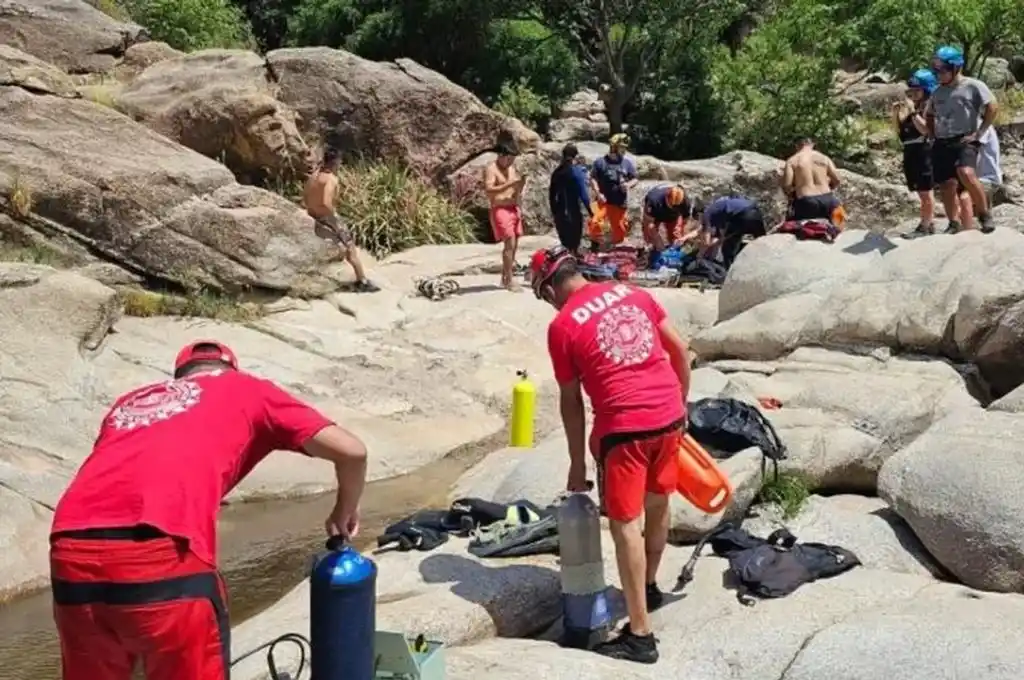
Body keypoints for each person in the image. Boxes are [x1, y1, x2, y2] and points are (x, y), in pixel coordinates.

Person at [49, 341, 369, 680]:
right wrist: (343, 510)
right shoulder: (247, 389)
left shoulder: (132, 401)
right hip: (161, 549)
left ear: (180, 376)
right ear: (231, 370)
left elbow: (128, 472)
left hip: (70, 551)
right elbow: (352, 451)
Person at [530, 246, 691, 664]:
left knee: (625, 526)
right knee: (658, 504)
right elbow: (680, 348)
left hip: (624, 431)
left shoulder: (563, 326)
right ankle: (650, 586)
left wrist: (577, 464)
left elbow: (571, 400)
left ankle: (640, 635)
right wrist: (681, 403)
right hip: (668, 418)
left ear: (549, 289)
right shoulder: (630, 291)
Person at [926, 45, 999, 234]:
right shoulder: (937, 92)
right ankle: (953, 222)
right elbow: (930, 114)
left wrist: (980, 133)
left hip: (965, 139)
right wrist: (932, 135)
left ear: (956, 68)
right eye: (936, 69)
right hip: (943, 141)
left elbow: (992, 106)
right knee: (947, 184)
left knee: (966, 173)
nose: (939, 74)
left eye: (943, 69)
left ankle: (984, 215)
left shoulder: (973, 86)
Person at [304, 148, 379, 292]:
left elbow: (305, 196)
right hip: (327, 217)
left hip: (312, 214)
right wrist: (334, 218)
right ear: (336, 161)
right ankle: (362, 281)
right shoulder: (331, 179)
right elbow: (326, 201)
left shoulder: (313, 176)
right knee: (350, 248)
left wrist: (312, 211)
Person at [896, 69, 939, 239]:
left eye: (917, 90)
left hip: (924, 151)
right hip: (910, 151)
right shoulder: (914, 108)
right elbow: (901, 134)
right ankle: (929, 221)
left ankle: (926, 225)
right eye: (911, 90)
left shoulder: (929, 108)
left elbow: (925, 130)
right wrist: (897, 114)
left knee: (926, 190)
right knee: (919, 191)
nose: (913, 94)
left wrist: (913, 111)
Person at [484, 141, 527, 290]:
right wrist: (509, 184)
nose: (510, 162)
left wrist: (520, 185)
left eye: (513, 159)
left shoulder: (512, 169)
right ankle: (509, 279)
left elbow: (516, 189)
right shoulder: (491, 168)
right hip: (500, 208)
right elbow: (489, 191)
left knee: (515, 244)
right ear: (501, 156)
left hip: (513, 207)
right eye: (509, 159)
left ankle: (505, 275)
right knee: (509, 241)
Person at [588, 133, 638, 249]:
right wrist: (597, 192)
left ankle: (617, 250)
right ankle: (596, 248)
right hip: (602, 201)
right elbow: (592, 178)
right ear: (614, 147)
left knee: (620, 227)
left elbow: (635, 178)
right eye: (622, 147)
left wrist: (628, 185)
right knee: (595, 223)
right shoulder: (600, 163)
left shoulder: (626, 163)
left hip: (619, 202)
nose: (624, 150)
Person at [781, 137, 845, 225]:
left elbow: (787, 186)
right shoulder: (824, 158)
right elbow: (837, 180)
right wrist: (829, 187)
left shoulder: (792, 161)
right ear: (812, 145)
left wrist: (793, 195)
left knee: (801, 229)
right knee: (838, 223)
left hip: (807, 202)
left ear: (797, 146)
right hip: (829, 201)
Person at [692, 195, 767, 268]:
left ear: (699, 214)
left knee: (728, 249)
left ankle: (728, 273)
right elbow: (720, 236)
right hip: (755, 212)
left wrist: (699, 251)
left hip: (742, 216)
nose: (699, 221)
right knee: (763, 243)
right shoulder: (717, 209)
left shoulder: (707, 214)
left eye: (697, 219)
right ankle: (765, 264)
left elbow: (708, 241)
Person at [549, 144, 592, 252]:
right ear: (575, 156)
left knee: (565, 245)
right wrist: (592, 212)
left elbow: (551, 194)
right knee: (574, 246)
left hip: (560, 213)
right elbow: (583, 195)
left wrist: (554, 212)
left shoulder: (556, 172)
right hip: (573, 213)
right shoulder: (576, 172)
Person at [957, 126, 1003, 229]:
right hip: (976, 178)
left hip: (988, 178)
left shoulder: (981, 127)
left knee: (965, 196)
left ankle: (966, 230)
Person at [641, 184, 692, 252]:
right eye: (672, 205)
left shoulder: (685, 201)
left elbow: (685, 220)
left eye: (677, 206)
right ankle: (651, 252)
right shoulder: (653, 200)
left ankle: (673, 253)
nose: (674, 208)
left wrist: (681, 234)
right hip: (655, 214)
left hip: (673, 217)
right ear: (666, 197)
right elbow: (648, 223)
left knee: (676, 237)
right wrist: (658, 241)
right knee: (650, 236)